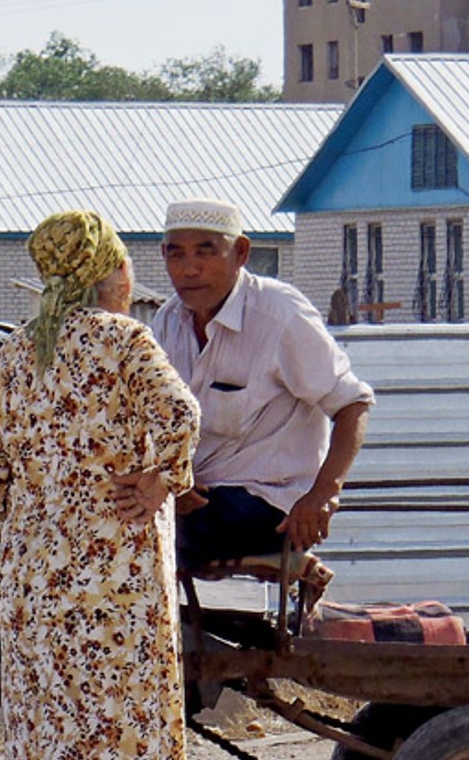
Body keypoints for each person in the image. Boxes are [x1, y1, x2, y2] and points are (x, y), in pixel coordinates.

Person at [0, 209, 200, 760]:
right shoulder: (123, 341)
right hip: (116, 572)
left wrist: (27, 527)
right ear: (106, 271)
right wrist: (159, 481)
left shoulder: (18, 351)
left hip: (34, 576)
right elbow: (181, 415)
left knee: (43, 726)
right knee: (110, 724)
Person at [147, 198, 374, 571]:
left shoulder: (279, 313)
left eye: (205, 252)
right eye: (176, 254)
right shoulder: (168, 321)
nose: (189, 269)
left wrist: (323, 495)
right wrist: (173, 483)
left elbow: (353, 404)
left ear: (240, 253)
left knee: (145, 527)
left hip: (269, 504)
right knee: (115, 506)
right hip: (197, 502)